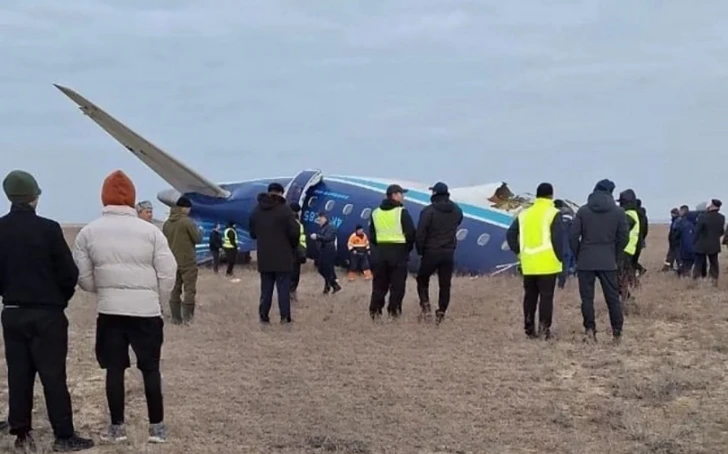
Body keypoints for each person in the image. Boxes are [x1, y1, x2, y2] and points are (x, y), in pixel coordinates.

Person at [72, 170, 176, 444]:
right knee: (151, 369)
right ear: (131, 198)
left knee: (114, 370)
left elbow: (83, 278)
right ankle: (157, 428)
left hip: (110, 312)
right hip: (146, 312)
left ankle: (117, 429)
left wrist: (104, 289)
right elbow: (168, 272)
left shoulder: (88, 232)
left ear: (104, 197)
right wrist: (157, 299)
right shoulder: (151, 232)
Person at [0, 170, 94, 451]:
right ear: (33, 197)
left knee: (18, 373)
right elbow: (68, 273)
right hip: (47, 314)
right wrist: (59, 300)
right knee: (53, 376)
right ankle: (63, 436)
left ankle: (20, 430)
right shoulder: (49, 229)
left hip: (13, 312)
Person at [569, 179, 629, 343]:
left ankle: (590, 332)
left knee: (587, 299)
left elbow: (573, 236)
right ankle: (617, 333)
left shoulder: (583, 211)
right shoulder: (618, 212)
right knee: (612, 299)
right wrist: (614, 254)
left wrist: (579, 254)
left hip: (586, 260)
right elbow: (624, 237)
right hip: (608, 260)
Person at [506, 183, 563, 339]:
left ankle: (529, 330)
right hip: (548, 264)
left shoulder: (524, 214)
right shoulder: (553, 213)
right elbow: (558, 240)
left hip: (528, 263)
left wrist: (519, 252)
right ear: (551, 195)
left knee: (530, 297)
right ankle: (545, 331)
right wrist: (560, 258)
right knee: (546, 298)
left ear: (537, 195)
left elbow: (510, 234)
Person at [249, 183, 300, 324]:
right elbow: (295, 232)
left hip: (265, 257)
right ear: (280, 193)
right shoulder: (285, 210)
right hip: (283, 257)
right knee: (283, 290)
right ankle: (285, 317)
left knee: (266, 289)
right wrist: (292, 246)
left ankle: (263, 316)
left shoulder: (256, 211)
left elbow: (252, 234)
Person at [414, 182, 463, 324]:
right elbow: (459, 221)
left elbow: (420, 233)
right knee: (445, 283)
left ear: (434, 194)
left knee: (422, 280)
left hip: (431, 251)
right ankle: (441, 312)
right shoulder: (456, 210)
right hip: (448, 252)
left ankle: (426, 307)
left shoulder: (428, 211)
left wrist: (420, 250)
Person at [369, 184, 416, 320]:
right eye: (401, 194)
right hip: (398, 253)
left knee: (379, 285)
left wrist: (379, 247)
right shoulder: (401, 212)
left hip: (380, 253)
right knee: (397, 286)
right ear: (394, 195)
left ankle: (375, 312)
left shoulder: (375, 213)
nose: (403, 197)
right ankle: (393, 312)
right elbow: (411, 233)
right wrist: (406, 249)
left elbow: (372, 235)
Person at [162, 196, 202, 324]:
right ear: (184, 208)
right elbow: (198, 239)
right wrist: (199, 231)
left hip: (172, 261)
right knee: (189, 290)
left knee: (175, 290)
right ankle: (188, 319)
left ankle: (175, 318)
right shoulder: (187, 222)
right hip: (187, 261)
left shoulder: (167, 223)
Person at [616, 189, 642, 303]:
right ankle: (626, 300)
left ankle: (627, 301)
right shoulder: (633, 213)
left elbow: (621, 231)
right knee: (622, 278)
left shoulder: (629, 215)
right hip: (628, 251)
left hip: (624, 251)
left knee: (619, 279)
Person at [692, 199, 725, 283]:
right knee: (714, 263)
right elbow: (721, 231)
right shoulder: (721, 217)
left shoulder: (703, 216)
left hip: (702, 244)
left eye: (710, 204)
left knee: (699, 263)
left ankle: (696, 280)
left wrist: (694, 241)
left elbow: (697, 231)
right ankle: (713, 280)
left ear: (713, 206)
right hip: (714, 244)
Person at [311, 212, 341, 294]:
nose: (319, 221)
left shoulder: (331, 227)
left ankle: (334, 285)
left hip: (329, 251)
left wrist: (317, 237)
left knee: (326, 269)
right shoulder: (323, 227)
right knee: (321, 269)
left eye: (319, 219)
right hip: (323, 250)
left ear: (324, 218)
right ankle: (329, 285)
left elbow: (328, 238)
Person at [554, 199, 575, 289]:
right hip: (566, 245)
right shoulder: (569, 217)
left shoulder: (553, 216)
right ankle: (561, 285)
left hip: (554, 245)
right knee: (564, 265)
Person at [289, 203, 307, 303]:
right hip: (296, 252)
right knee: (294, 273)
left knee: (293, 273)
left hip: (295, 252)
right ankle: (291, 292)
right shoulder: (296, 224)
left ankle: (290, 291)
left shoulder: (296, 223)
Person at [675, 205, 696, 277]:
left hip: (687, 250)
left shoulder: (687, 224)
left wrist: (689, 250)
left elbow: (688, 239)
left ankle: (686, 278)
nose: (679, 212)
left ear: (684, 211)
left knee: (687, 265)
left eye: (680, 211)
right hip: (685, 248)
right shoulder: (686, 222)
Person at [633, 198, 649, 277]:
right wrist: (642, 237)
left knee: (630, 259)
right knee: (634, 258)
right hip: (641, 238)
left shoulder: (634, 214)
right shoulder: (643, 216)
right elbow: (646, 229)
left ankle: (638, 270)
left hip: (634, 238)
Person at [662, 208, 680, 272]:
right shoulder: (674, 221)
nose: (671, 215)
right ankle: (667, 268)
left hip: (675, 243)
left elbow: (675, 232)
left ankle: (680, 269)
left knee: (677, 257)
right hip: (673, 242)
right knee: (670, 257)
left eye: (672, 214)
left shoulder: (677, 221)